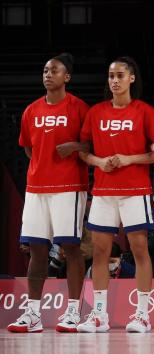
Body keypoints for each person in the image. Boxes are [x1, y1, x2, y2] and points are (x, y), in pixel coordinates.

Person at [77, 56, 154, 333]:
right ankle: (98, 315)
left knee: (140, 250)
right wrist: (98, 162)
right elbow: (83, 150)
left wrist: (129, 159)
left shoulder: (144, 111)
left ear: (131, 78)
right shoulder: (95, 113)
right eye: (111, 76)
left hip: (135, 191)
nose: (114, 80)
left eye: (120, 75)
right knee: (100, 253)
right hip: (104, 191)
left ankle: (142, 315)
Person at [9, 53, 89, 333]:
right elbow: (29, 148)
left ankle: (73, 312)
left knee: (70, 248)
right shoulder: (31, 110)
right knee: (36, 250)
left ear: (66, 77)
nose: (48, 74)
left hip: (69, 187)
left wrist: (75, 148)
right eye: (45, 70)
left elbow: (92, 144)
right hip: (36, 188)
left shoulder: (79, 108)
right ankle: (33, 314)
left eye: (54, 70)